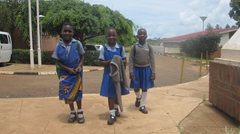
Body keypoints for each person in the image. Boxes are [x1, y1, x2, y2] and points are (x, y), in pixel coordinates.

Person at [52, 23, 85, 123]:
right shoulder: (58, 45)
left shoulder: (77, 43)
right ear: (61, 33)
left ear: (73, 33)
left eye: (69, 31)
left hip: (76, 73)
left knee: (78, 93)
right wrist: (67, 69)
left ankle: (80, 112)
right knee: (67, 93)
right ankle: (72, 112)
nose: (67, 33)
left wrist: (79, 66)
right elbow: (57, 61)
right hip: (65, 74)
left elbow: (82, 56)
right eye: (65, 31)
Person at [98, 27, 129, 125]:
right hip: (108, 75)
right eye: (109, 35)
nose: (111, 37)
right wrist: (111, 61)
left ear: (116, 36)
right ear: (106, 37)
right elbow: (101, 62)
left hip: (118, 74)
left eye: (113, 35)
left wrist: (119, 62)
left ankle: (116, 109)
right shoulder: (104, 48)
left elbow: (124, 60)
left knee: (117, 93)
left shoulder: (120, 48)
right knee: (111, 94)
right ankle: (112, 114)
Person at [129, 28, 155, 114]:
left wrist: (153, 72)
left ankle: (142, 105)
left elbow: (152, 60)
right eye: (140, 34)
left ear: (146, 36)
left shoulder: (149, 47)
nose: (142, 35)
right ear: (137, 36)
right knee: (136, 87)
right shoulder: (134, 47)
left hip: (146, 69)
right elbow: (131, 60)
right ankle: (138, 97)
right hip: (136, 69)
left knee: (144, 88)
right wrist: (131, 71)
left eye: (144, 34)